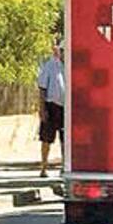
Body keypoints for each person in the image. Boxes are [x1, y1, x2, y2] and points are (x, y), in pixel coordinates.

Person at [38, 41, 65, 178]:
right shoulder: (50, 65)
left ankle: (65, 167)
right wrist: (42, 109)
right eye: (63, 51)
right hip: (51, 105)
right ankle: (44, 167)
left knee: (66, 139)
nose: (64, 54)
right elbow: (42, 88)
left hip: (66, 108)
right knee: (46, 139)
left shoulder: (72, 65)